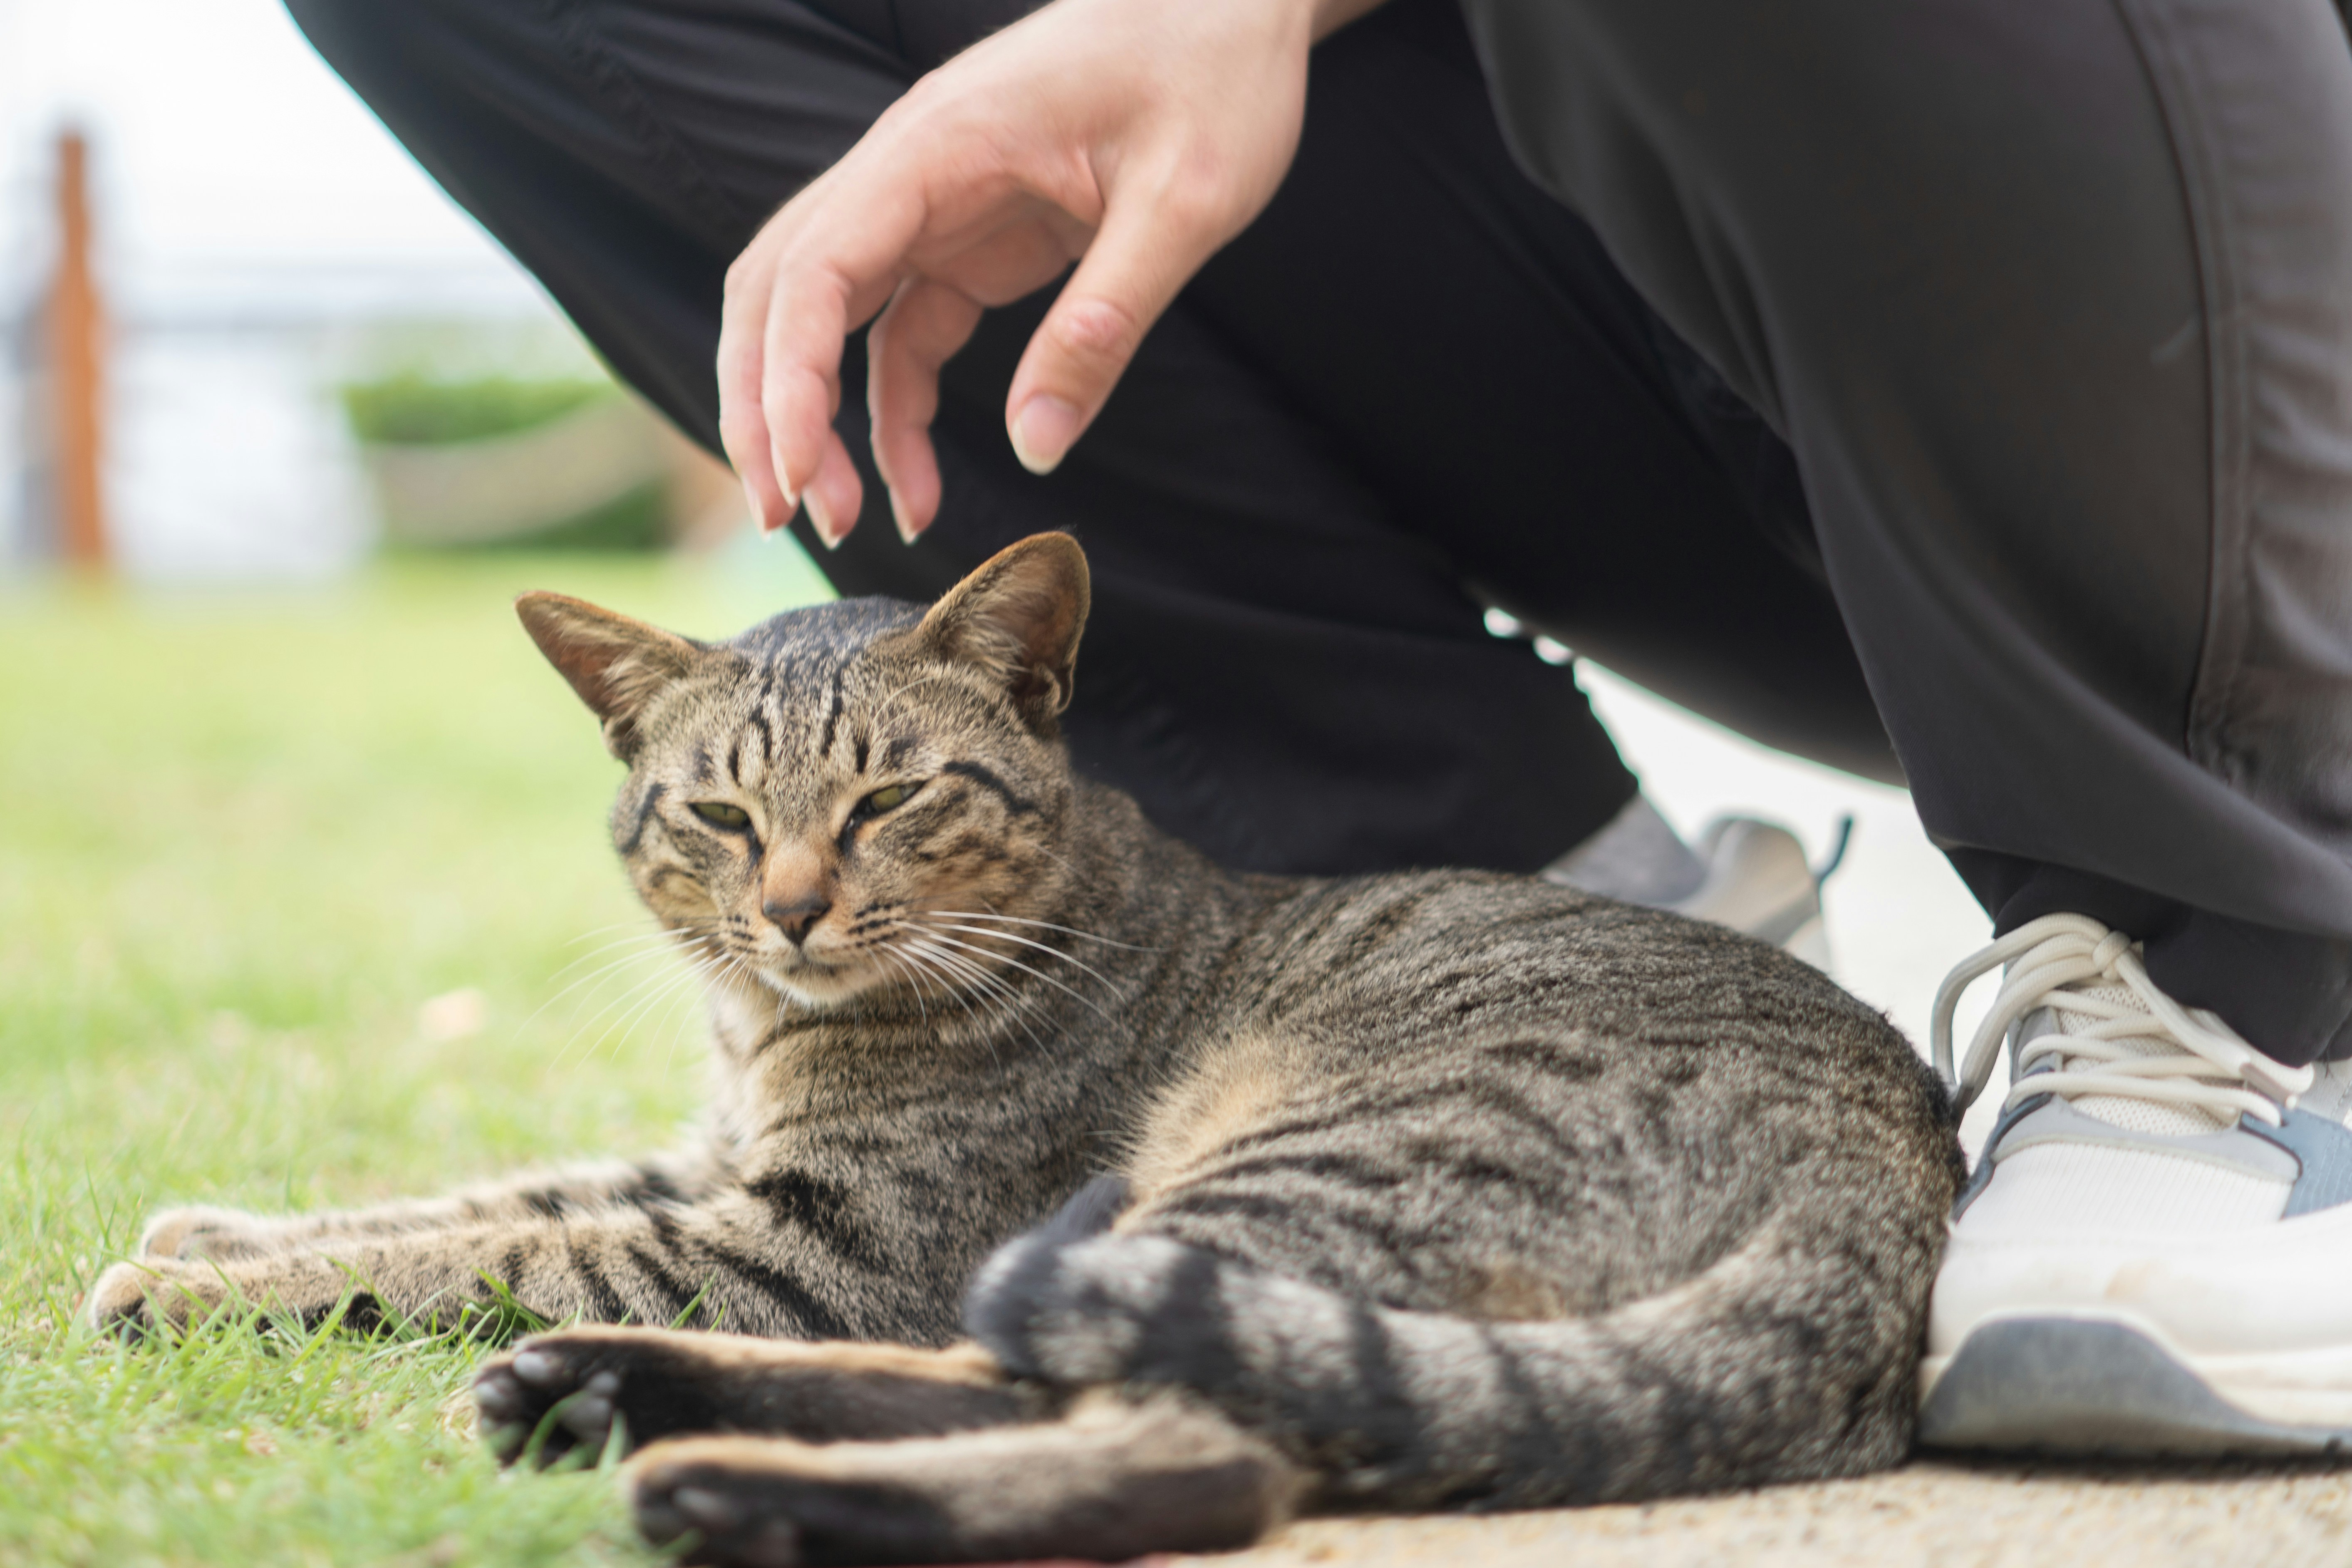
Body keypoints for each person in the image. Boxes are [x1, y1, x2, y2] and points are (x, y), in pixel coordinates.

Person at [287, 0, 2352, 1452]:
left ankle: (2222, 967)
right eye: (737, 837)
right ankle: (1495, 858)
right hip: (1650, 351)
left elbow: (859, 1265)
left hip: (2209, 379)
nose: (801, 893)